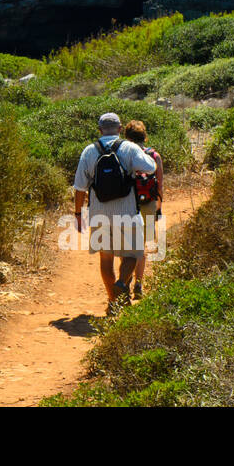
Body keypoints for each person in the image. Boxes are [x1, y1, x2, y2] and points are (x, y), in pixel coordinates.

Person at [73, 112, 156, 315]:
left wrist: (77, 213)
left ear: (100, 130)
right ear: (119, 129)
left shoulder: (89, 151)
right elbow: (151, 167)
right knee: (133, 254)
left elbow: (80, 187)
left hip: (99, 213)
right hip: (127, 211)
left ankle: (113, 302)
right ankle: (122, 283)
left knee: (106, 259)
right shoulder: (129, 147)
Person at [122, 119, 163, 299]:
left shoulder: (124, 154)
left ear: (127, 136)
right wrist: (158, 208)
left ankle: (126, 281)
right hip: (148, 203)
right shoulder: (154, 156)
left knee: (127, 246)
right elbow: (160, 185)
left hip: (128, 204)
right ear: (144, 136)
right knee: (142, 246)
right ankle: (139, 284)